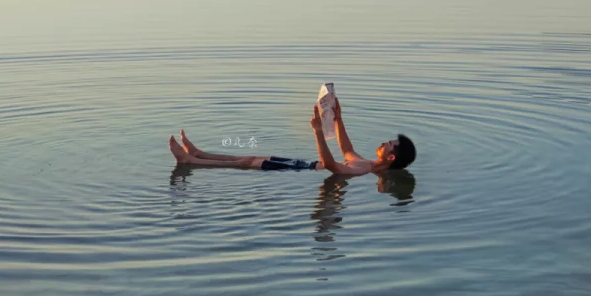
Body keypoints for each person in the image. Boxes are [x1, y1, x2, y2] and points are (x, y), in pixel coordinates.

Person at [168, 96, 416, 177]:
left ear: (391, 157)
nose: (383, 142)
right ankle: (200, 153)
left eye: (388, 144)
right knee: (250, 157)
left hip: (303, 170)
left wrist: (319, 133)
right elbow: (346, 149)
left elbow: (332, 166)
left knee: (246, 163)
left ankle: (190, 162)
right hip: (303, 165)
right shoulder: (366, 164)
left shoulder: (363, 171)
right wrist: (338, 118)